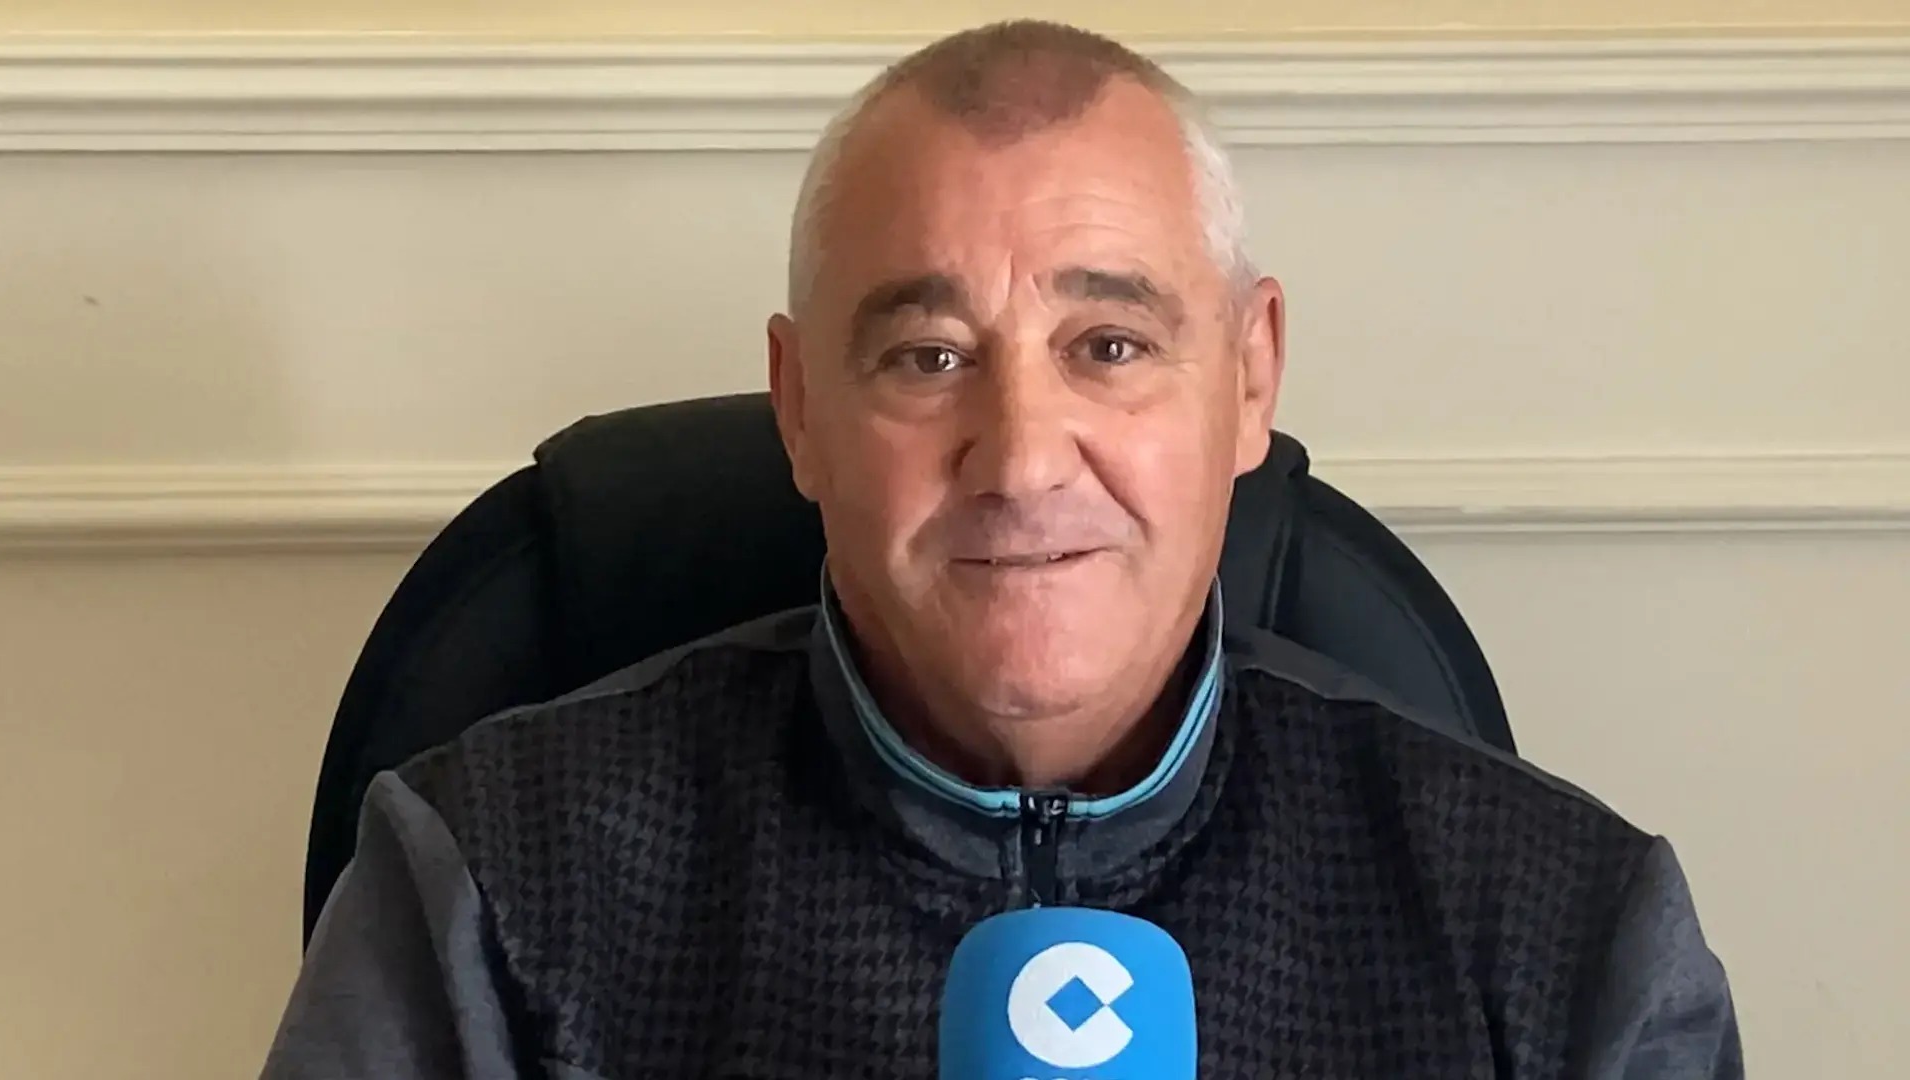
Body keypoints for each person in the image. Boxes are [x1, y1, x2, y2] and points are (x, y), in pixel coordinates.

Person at [261, 19, 1741, 1079]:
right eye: (928, 358)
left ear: (1249, 379)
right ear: (799, 409)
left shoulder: (1565, 929)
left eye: (1109, 344)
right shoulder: (481, 888)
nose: (1024, 459)